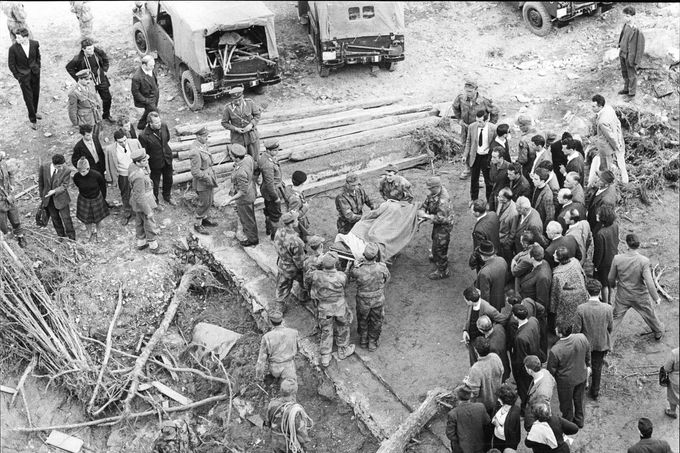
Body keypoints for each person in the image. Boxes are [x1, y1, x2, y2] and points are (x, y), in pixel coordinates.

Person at [609, 233, 664, 341]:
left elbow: (611, 277)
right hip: (640, 296)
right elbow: (649, 282)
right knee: (649, 313)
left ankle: (608, 343)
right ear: (638, 245)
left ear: (626, 245)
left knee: (616, 318)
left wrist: (613, 285)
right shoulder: (644, 261)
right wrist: (656, 297)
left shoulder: (617, 259)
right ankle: (658, 332)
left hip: (623, 295)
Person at [309, 253, 355, 367]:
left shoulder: (315, 275)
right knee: (343, 327)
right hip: (339, 308)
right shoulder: (341, 276)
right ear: (336, 264)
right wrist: (348, 269)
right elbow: (345, 284)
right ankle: (343, 350)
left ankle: (325, 356)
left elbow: (308, 276)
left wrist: (316, 262)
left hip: (324, 309)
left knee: (326, 330)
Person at [573, 279, 612, 400]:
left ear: (587, 292)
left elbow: (576, 330)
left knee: (584, 364)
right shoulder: (608, 308)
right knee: (597, 366)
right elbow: (610, 327)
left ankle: (584, 384)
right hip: (601, 343)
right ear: (600, 292)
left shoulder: (581, 308)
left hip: (585, 344)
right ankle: (595, 391)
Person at [452, 80, 499, 179]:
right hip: (466, 128)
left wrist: (490, 125)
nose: (468, 93)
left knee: (481, 148)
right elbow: (455, 107)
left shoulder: (484, 101)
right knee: (466, 146)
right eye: (466, 91)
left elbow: (495, 112)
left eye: (470, 91)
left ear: (476, 90)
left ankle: (482, 173)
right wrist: (459, 119)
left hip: (480, 129)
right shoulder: (461, 98)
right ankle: (468, 169)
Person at [547, 321, 591, 428]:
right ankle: (580, 420)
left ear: (559, 333)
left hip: (565, 382)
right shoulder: (581, 338)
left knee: (566, 404)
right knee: (579, 399)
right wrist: (587, 365)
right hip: (581, 376)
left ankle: (569, 423)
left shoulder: (555, 350)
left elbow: (551, 369)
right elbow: (587, 353)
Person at [349, 242, 390, 352]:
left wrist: (355, 264)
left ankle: (363, 340)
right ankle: (372, 342)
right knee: (376, 321)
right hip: (378, 300)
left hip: (363, 301)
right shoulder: (382, 268)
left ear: (363, 255)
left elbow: (351, 277)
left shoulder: (357, 270)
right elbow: (387, 279)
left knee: (363, 319)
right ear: (376, 256)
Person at [128, 147, 165, 254]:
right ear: (137, 162)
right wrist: (148, 211)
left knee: (139, 222)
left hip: (136, 202)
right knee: (149, 223)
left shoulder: (133, 166)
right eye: (144, 161)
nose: (147, 162)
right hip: (144, 203)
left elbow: (147, 171)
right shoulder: (139, 176)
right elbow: (140, 196)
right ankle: (154, 247)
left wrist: (145, 164)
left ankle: (141, 243)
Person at [65, 38, 112, 122]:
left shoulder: (98, 52)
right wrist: (79, 78)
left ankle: (106, 115)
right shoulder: (78, 58)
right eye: (89, 49)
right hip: (89, 83)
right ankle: (93, 119)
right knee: (90, 102)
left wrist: (104, 69)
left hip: (101, 80)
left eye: (92, 47)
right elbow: (69, 68)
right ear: (83, 49)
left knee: (107, 98)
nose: (92, 50)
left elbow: (105, 58)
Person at [104, 129, 143, 225]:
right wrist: (110, 178)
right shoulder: (110, 150)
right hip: (123, 175)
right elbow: (108, 165)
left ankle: (140, 212)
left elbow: (142, 157)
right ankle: (127, 212)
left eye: (125, 140)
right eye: (120, 142)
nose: (123, 143)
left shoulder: (134, 142)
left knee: (139, 192)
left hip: (135, 172)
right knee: (125, 194)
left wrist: (146, 170)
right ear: (116, 141)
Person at [417, 176, 453, 280]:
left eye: (430, 188)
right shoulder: (433, 193)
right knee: (435, 239)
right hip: (437, 223)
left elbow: (441, 218)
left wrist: (425, 216)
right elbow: (426, 203)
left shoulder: (443, 200)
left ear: (436, 187)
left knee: (440, 246)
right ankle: (436, 256)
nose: (428, 190)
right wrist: (423, 210)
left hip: (444, 225)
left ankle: (443, 271)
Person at [509, 304, 543, 413]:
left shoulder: (520, 338)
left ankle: (524, 409)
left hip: (525, 368)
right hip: (535, 356)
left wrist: (518, 372)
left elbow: (520, 359)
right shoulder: (534, 320)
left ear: (515, 316)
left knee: (524, 389)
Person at [462, 286, 507, 367]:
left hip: (482, 342)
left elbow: (503, 320)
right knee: (473, 360)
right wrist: (465, 330)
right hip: (471, 339)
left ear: (471, 301)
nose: (464, 301)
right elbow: (468, 318)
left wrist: (491, 333)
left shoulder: (488, 309)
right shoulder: (470, 305)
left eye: (465, 299)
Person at [224, 144, 258, 247]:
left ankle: (252, 240)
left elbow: (242, 191)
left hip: (245, 199)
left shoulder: (241, 173)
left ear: (237, 158)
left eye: (231, 155)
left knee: (248, 219)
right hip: (251, 189)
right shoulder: (248, 158)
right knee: (249, 216)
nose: (230, 156)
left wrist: (230, 200)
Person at [266, 379, 312, 453]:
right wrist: (305, 447)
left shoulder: (272, 404)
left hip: (275, 441)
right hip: (288, 444)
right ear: (294, 393)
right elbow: (301, 433)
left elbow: (268, 423)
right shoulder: (295, 411)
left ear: (281, 390)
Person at [138, 111, 174, 206]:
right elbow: (144, 152)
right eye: (156, 123)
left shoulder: (164, 125)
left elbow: (167, 139)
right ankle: (155, 201)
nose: (159, 124)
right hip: (155, 163)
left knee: (169, 179)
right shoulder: (143, 135)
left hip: (167, 158)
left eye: (159, 121)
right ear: (150, 123)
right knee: (155, 183)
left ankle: (167, 196)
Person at [8, 28, 41, 129]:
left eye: (19, 37)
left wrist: (38, 67)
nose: (16, 39)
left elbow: (38, 57)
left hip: (35, 74)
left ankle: (35, 111)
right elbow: (11, 64)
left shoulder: (35, 44)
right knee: (28, 97)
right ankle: (33, 119)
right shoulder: (13, 49)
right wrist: (18, 76)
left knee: (35, 94)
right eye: (16, 37)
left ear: (26, 37)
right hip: (23, 77)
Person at [273, 212, 306, 314]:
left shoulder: (278, 232)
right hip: (293, 269)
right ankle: (303, 296)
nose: (298, 221)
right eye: (296, 219)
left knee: (282, 287)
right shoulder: (296, 241)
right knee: (305, 280)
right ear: (292, 223)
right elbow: (300, 263)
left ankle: (279, 309)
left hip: (282, 264)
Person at [591, 94, 628, 183]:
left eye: (594, 106)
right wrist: (619, 138)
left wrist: (616, 146)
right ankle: (623, 179)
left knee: (606, 167)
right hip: (617, 138)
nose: (592, 108)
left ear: (600, 106)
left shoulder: (602, 121)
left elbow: (610, 137)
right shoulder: (609, 108)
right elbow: (617, 123)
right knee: (620, 162)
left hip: (606, 147)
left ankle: (609, 181)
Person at [256, 310, 299, 386]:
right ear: (282, 320)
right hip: (289, 367)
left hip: (275, 369)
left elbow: (261, 361)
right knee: (289, 389)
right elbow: (298, 349)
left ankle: (275, 379)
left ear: (270, 322)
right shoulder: (294, 333)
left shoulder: (267, 337)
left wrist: (259, 377)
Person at [38, 154, 75, 241]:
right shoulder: (44, 167)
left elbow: (65, 186)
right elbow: (41, 183)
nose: (61, 168)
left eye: (62, 165)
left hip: (62, 199)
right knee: (55, 219)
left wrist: (54, 191)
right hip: (49, 200)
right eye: (59, 166)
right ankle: (61, 236)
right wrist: (42, 197)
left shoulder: (66, 170)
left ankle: (72, 238)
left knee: (67, 219)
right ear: (54, 164)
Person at [463, 336, 504, 415]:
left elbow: (475, 393)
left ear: (475, 350)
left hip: (484, 404)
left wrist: (468, 382)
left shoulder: (475, 369)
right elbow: (501, 372)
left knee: (487, 423)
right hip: (497, 397)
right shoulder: (495, 357)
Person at [464, 110, 497, 204]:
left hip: (487, 157)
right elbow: (468, 142)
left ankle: (489, 201)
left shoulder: (493, 128)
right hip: (475, 156)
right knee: (474, 180)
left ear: (487, 120)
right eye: (477, 121)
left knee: (488, 181)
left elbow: (495, 144)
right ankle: (474, 199)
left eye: (480, 122)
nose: (478, 124)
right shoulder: (472, 127)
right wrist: (465, 155)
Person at [189, 127, 218, 235]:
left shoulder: (203, 145)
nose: (207, 138)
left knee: (210, 200)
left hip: (208, 176)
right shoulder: (195, 151)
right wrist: (206, 177)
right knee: (204, 202)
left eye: (207, 136)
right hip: (202, 181)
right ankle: (197, 224)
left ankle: (204, 218)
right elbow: (195, 172)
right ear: (198, 136)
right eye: (205, 136)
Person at [551, 246, 588, 330]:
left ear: (558, 259)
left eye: (555, 255)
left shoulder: (557, 274)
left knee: (568, 321)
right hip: (582, 294)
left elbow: (555, 293)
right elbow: (583, 274)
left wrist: (553, 309)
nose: (553, 255)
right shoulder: (575, 261)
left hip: (567, 300)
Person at [221, 86, 261, 161]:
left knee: (255, 158)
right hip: (238, 139)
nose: (238, 102)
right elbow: (224, 123)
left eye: (239, 100)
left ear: (243, 96)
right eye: (235, 101)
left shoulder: (250, 103)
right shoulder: (228, 109)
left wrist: (251, 124)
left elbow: (257, 115)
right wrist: (235, 129)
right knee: (241, 159)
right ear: (232, 99)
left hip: (251, 136)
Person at [72, 157, 108, 242]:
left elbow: (103, 187)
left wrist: (103, 198)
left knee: (98, 219)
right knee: (86, 219)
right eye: (79, 171)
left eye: (83, 171)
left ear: (88, 168)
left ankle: (99, 232)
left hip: (96, 198)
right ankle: (89, 232)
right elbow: (78, 185)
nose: (81, 173)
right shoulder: (76, 176)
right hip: (84, 199)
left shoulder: (97, 175)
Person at [445, 386, 490, 453]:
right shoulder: (480, 407)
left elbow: (450, 434)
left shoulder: (453, 414)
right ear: (470, 396)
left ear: (457, 397)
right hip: (479, 445)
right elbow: (487, 422)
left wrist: (462, 439)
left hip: (462, 449)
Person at [258, 140, 285, 239]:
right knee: (275, 215)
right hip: (272, 192)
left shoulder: (265, 157)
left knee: (268, 211)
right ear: (268, 150)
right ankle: (275, 236)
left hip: (267, 191)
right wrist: (276, 197)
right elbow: (270, 184)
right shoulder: (268, 164)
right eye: (275, 150)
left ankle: (268, 229)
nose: (277, 152)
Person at [593, 204, 619, 304]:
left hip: (604, 263)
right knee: (611, 282)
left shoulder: (600, 233)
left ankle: (605, 302)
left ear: (603, 217)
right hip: (613, 257)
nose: (596, 216)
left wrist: (596, 265)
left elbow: (599, 252)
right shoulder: (615, 225)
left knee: (604, 284)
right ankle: (610, 301)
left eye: (598, 215)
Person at [618, 6, 645, 99]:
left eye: (628, 16)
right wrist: (620, 45)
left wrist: (636, 60)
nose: (626, 18)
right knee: (624, 72)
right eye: (625, 16)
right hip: (623, 53)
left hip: (630, 56)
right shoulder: (625, 25)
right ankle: (626, 89)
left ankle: (632, 93)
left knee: (631, 75)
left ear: (633, 16)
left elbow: (640, 48)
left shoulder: (637, 30)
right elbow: (623, 36)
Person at [524, 355, 557, 430]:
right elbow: (553, 381)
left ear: (530, 370)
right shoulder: (545, 372)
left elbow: (543, 410)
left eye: (525, 367)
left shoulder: (542, 393)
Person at [518, 244, 552, 317]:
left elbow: (542, 301)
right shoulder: (544, 262)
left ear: (532, 258)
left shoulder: (542, 277)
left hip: (531, 308)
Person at [0, 151, 26, 247]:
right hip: (0, 201)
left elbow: (10, 175)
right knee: (2, 223)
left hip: (10, 197)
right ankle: (8, 241)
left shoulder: (3, 163)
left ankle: (20, 236)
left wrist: (12, 184)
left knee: (15, 218)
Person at [68, 69, 102, 137]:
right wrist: (75, 123)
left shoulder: (90, 85)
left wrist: (100, 109)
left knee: (96, 133)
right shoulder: (74, 93)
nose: (89, 81)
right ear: (80, 79)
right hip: (85, 119)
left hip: (95, 115)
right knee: (88, 136)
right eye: (86, 79)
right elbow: (72, 110)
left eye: (89, 79)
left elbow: (96, 97)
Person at [475, 240, 507, 311]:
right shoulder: (502, 260)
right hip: (500, 298)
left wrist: (484, 309)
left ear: (483, 256)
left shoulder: (484, 272)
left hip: (490, 305)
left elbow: (485, 295)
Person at [470, 199, 501, 271]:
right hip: (497, 249)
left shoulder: (479, 230)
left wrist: (475, 262)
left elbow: (479, 248)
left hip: (487, 259)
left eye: (472, 211)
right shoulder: (493, 214)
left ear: (477, 213)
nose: (471, 212)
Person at [477, 315, 510, 382]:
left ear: (481, 330)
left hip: (499, 373)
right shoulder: (499, 327)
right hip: (506, 365)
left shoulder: (489, 346)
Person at [585, 169, 618, 236]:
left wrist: (596, 232)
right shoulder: (602, 186)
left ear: (606, 184)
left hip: (596, 222)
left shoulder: (607, 200)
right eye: (598, 178)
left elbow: (603, 219)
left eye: (600, 180)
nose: (597, 180)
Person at [131, 55, 159, 130]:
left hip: (155, 95)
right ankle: (154, 127)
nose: (153, 67)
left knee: (149, 111)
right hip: (147, 99)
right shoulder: (137, 77)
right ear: (144, 65)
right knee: (155, 113)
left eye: (153, 65)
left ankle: (141, 125)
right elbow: (135, 92)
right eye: (151, 66)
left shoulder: (151, 68)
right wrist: (146, 101)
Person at [490, 384, 521, 452]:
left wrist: (496, 423)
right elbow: (494, 416)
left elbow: (505, 433)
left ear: (505, 400)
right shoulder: (499, 405)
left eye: (499, 397)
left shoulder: (513, 414)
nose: (498, 399)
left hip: (505, 442)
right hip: (497, 438)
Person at [283, 170, 310, 242]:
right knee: (302, 238)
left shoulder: (288, 188)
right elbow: (293, 216)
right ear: (302, 184)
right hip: (298, 223)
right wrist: (305, 208)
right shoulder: (295, 199)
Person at [496, 187, 518, 265]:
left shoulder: (514, 213)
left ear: (505, 199)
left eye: (499, 197)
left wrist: (507, 244)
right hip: (498, 238)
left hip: (505, 242)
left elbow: (513, 231)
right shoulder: (500, 202)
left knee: (507, 260)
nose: (497, 198)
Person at [662, 348, 679, 419]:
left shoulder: (675, 353)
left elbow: (667, 368)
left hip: (676, 381)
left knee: (673, 397)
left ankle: (672, 412)